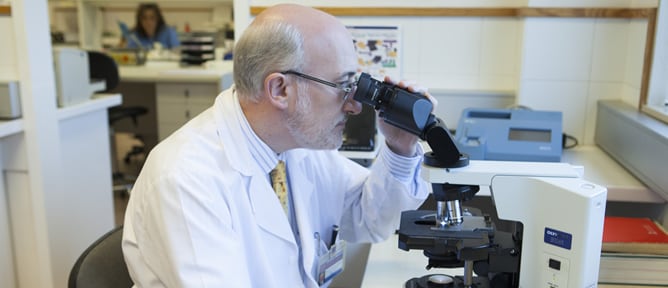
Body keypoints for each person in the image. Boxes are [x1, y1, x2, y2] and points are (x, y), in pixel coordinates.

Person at [122, 4, 435, 287]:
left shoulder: (293, 145)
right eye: (343, 86)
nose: (354, 106)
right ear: (280, 89)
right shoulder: (185, 180)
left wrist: (399, 147)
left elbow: (371, 219)